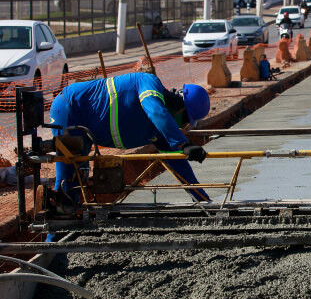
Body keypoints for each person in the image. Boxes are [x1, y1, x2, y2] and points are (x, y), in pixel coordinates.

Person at [49, 73, 211, 210]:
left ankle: (66, 231)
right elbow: (155, 110)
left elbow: (178, 164)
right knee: (67, 180)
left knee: (78, 180)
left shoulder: (160, 131)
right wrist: (183, 143)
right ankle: (52, 241)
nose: (183, 125)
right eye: (185, 120)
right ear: (179, 104)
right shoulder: (149, 82)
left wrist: (202, 199)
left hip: (84, 121)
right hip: (71, 108)